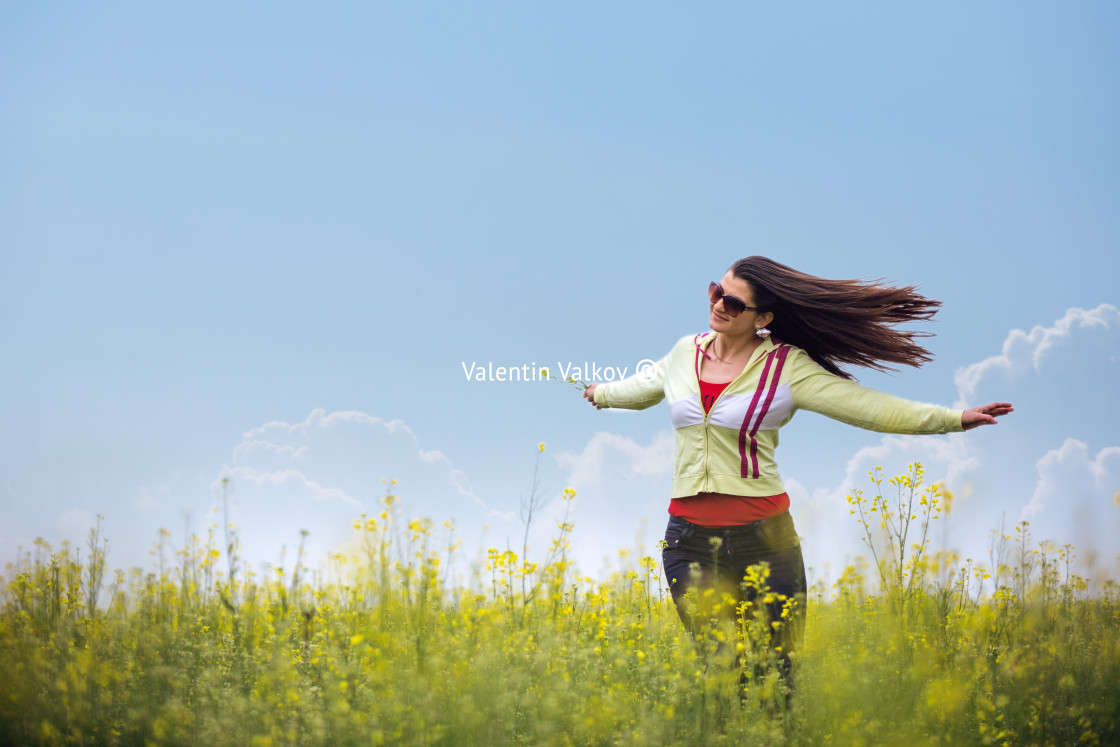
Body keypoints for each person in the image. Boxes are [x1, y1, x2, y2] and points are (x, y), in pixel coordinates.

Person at [580, 256, 1012, 693]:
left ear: (763, 318)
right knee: (723, 673)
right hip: (689, 544)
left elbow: (868, 408)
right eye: (717, 291)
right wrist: (601, 393)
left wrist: (952, 418)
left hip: (765, 544)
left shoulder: (787, 367)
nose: (718, 306)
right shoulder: (682, 354)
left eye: (732, 303)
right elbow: (640, 388)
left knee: (777, 680)